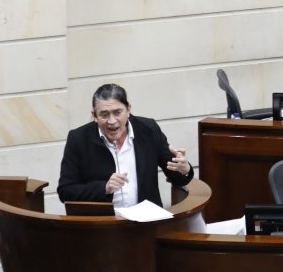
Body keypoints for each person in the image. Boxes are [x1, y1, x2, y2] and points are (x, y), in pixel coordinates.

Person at [58, 83, 194, 207]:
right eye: (104, 115)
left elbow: (177, 177)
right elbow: (65, 191)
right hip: (102, 223)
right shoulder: (78, 139)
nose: (112, 121)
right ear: (94, 116)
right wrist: (104, 188)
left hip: (146, 221)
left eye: (117, 113)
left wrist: (185, 169)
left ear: (128, 109)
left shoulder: (149, 130)